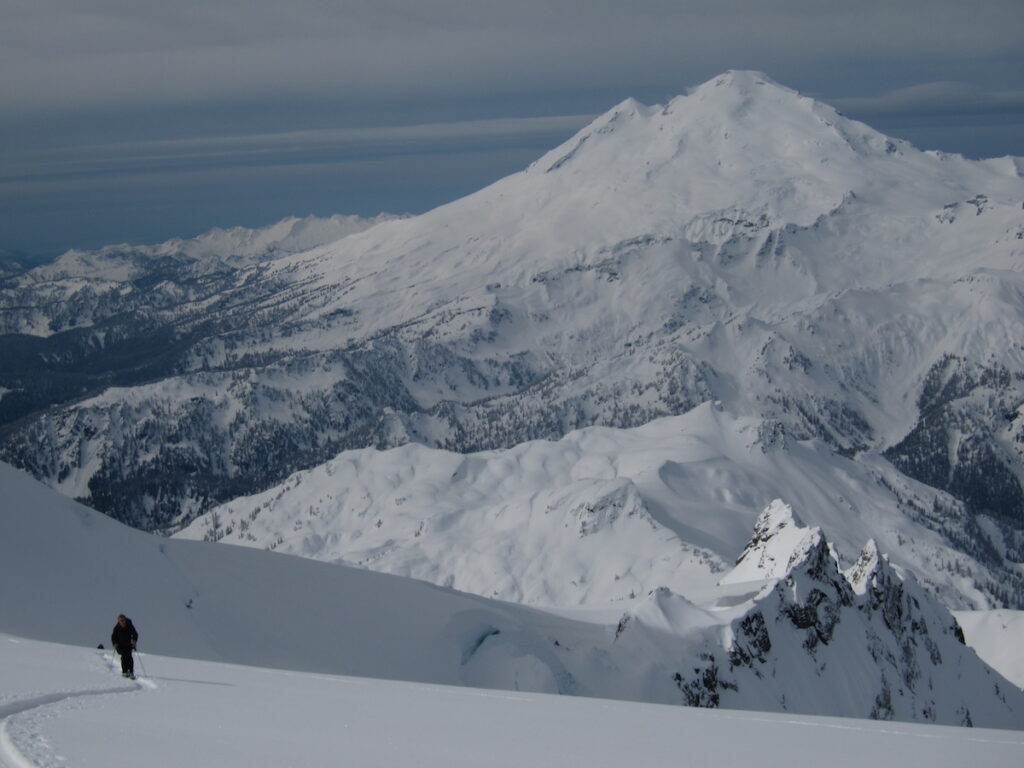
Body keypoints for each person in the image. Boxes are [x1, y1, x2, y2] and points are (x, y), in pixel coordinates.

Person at [111, 614, 139, 679]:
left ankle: (131, 671)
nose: (122, 622)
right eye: (121, 621)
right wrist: (114, 643)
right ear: (119, 621)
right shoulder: (116, 628)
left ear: (125, 620)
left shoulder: (130, 626)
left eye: (123, 620)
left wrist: (134, 640)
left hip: (129, 644)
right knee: (124, 657)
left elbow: (135, 634)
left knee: (129, 657)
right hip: (121, 645)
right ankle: (125, 671)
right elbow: (113, 637)